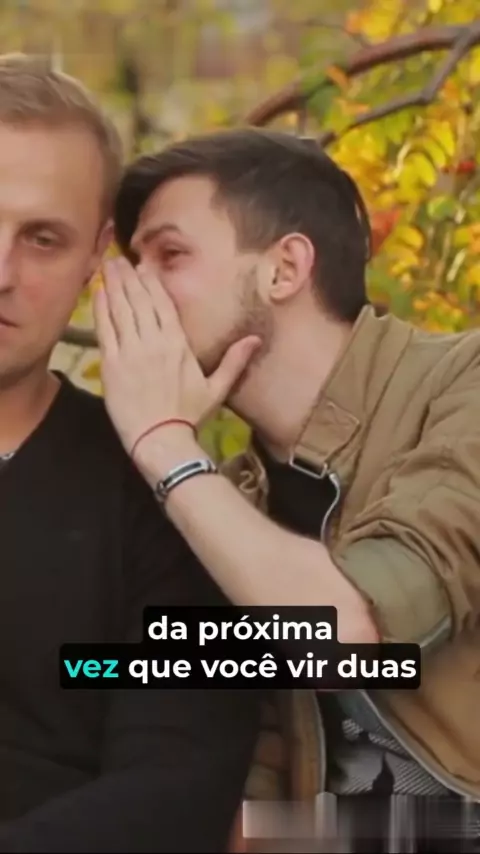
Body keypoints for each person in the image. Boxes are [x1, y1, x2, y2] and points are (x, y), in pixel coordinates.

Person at [94, 128, 480, 852]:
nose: (132, 292)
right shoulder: (229, 503)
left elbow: (350, 635)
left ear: (286, 268)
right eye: (130, 263)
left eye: (169, 255)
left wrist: (165, 443)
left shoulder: (465, 387)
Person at [0, 59, 264, 853]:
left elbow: (176, 789)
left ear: (97, 258)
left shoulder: (166, 503)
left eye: (42, 239)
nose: (0, 273)